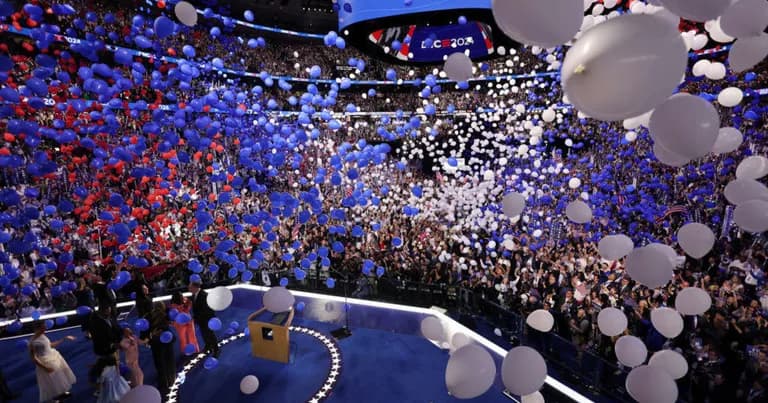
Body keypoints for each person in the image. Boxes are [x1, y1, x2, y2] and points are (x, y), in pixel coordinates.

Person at [28, 322, 76, 403]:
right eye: (43, 328)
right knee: (49, 382)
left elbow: (49, 345)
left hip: (54, 357)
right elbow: (33, 358)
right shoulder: (32, 342)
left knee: (59, 377)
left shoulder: (42, 335)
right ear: (37, 329)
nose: (45, 329)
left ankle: (61, 393)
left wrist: (64, 339)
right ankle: (52, 400)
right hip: (45, 362)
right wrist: (44, 367)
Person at [88, 304, 122, 388]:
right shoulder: (95, 322)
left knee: (115, 364)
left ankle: (115, 381)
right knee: (105, 368)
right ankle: (101, 386)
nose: (109, 312)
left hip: (114, 346)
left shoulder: (109, 317)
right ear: (102, 311)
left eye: (110, 310)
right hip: (104, 349)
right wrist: (112, 345)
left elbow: (116, 328)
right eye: (108, 310)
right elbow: (99, 338)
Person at [148, 301, 176, 397]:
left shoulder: (150, 317)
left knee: (160, 364)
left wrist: (152, 336)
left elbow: (148, 332)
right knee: (169, 362)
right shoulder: (165, 316)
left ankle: (163, 383)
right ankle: (171, 380)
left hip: (156, 345)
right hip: (166, 344)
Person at [189, 281, 219, 357]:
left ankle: (216, 349)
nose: (188, 288)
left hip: (207, 318)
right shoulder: (193, 295)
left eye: (190, 287)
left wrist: (198, 317)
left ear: (195, 287)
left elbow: (207, 309)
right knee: (204, 334)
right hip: (200, 319)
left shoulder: (204, 295)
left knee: (210, 334)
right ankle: (208, 346)